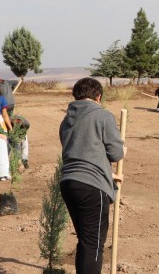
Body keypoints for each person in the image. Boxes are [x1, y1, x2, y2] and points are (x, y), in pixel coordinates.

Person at [59, 77, 126, 274]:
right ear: (98, 96)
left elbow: (80, 153)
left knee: (86, 241)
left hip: (69, 182)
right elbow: (115, 153)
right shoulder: (102, 115)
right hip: (91, 187)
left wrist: (109, 175)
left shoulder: (67, 120)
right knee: (93, 244)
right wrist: (123, 151)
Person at [0, 79, 14, 181]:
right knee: (2, 150)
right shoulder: (1, 99)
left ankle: (3, 173)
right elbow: (5, 116)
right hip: (0, 123)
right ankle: (3, 173)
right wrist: (10, 128)